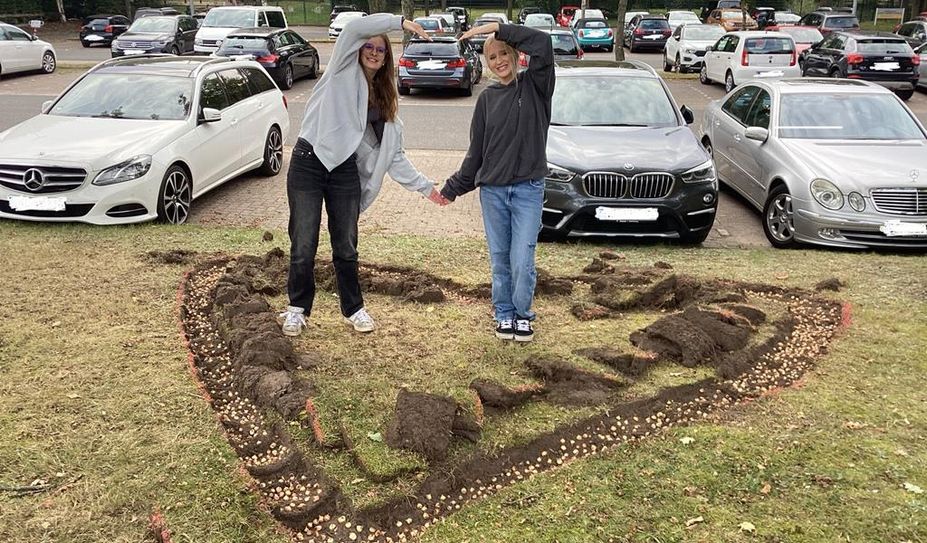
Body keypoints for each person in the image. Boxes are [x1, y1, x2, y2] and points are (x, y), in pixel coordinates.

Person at [279, 13, 448, 337]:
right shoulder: (341, 71)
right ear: (357, 50)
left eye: (380, 50)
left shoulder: (385, 107)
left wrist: (427, 189)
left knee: (346, 245)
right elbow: (356, 28)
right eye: (368, 46)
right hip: (308, 161)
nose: (373, 51)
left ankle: (354, 309)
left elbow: (393, 157)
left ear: (386, 59)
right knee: (304, 243)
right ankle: (297, 309)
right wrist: (400, 23)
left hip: (344, 170)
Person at [439, 21, 554, 343]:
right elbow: (476, 154)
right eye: (492, 57)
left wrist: (494, 30)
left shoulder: (537, 86)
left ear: (516, 55)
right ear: (486, 64)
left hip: (528, 190)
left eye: (504, 53)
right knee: (501, 260)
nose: (499, 60)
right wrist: (451, 189)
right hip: (493, 193)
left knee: (522, 259)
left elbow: (543, 43)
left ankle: (523, 315)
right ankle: (504, 314)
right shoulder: (487, 99)